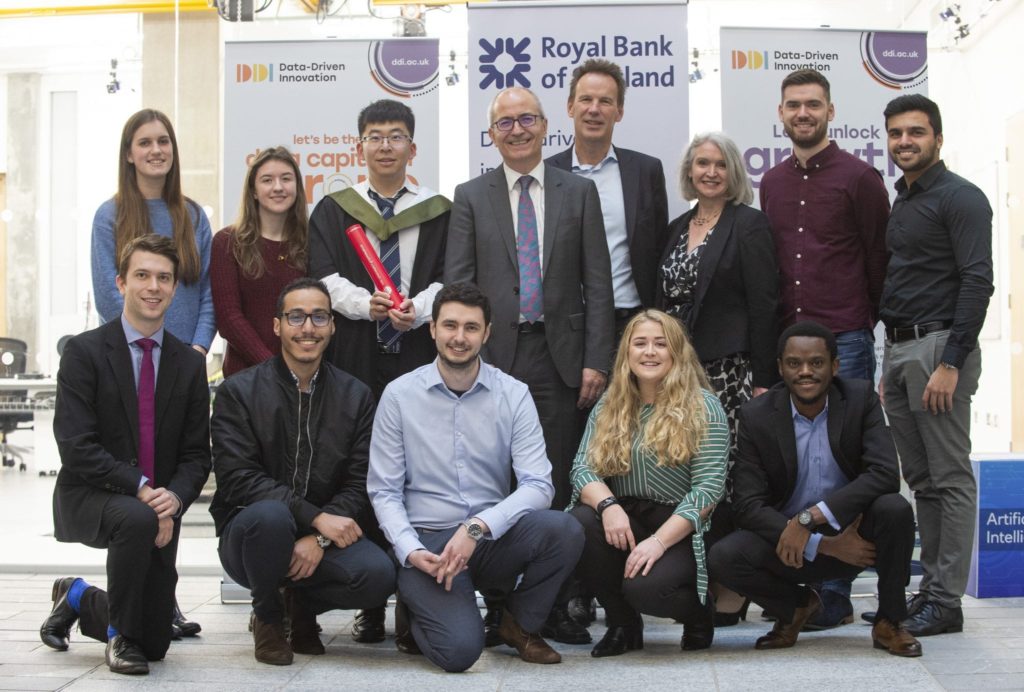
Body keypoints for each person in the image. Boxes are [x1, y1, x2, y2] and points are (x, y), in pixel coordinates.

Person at [445, 86, 613, 644]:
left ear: (546, 126)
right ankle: (498, 607)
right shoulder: (470, 195)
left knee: (558, 481)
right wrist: (466, 356)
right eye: (504, 123)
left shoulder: (579, 191)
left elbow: (599, 284)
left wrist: (596, 359)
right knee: (495, 481)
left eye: (526, 120)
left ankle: (557, 603)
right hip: (492, 357)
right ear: (491, 134)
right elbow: (460, 284)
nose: (516, 130)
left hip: (560, 359)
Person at [367, 283, 585, 673]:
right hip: (428, 542)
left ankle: (516, 624)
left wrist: (479, 526)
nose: (459, 337)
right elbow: (383, 490)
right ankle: (417, 603)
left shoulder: (513, 394)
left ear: (486, 333)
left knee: (564, 529)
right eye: (450, 325)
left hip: (489, 538)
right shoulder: (398, 396)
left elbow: (539, 485)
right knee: (459, 653)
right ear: (432, 329)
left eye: (471, 328)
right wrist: (409, 550)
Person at [307, 98, 450, 642]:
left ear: (412, 147)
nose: (385, 145)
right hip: (355, 353)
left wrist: (422, 307)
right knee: (358, 467)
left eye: (395, 136)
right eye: (374, 136)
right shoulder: (334, 208)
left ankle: (414, 602)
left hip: (415, 351)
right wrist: (361, 303)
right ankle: (371, 597)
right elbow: (320, 274)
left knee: (416, 472)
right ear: (359, 145)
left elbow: (451, 272)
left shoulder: (438, 210)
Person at [40, 234, 212, 674]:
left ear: (174, 288)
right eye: (142, 275)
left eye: (164, 278)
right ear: (120, 283)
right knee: (136, 520)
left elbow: (197, 456)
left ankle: (78, 596)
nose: (153, 286)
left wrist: (171, 500)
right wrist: (142, 492)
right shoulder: (84, 352)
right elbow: (76, 447)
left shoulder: (189, 365)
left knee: (154, 642)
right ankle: (118, 639)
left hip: (158, 507)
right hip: (92, 494)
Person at [759, 69, 891, 628]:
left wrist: (867, 328)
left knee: (845, 467)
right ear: (782, 113)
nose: (803, 114)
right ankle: (802, 583)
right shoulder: (770, 181)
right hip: (788, 345)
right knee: (798, 464)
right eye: (794, 105)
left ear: (831, 112)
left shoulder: (861, 178)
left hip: (847, 342)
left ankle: (837, 593)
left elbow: (880, 260)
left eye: (813, 104)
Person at [208, 277, 396, 665]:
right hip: (251, 535)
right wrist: (316, 519)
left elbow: (360, 480)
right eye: (296, 317)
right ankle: (268, 617)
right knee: (272, 515)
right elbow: (238, 479)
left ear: (332, 325)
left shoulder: (356, 395)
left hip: (321, 536)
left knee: (377, 576)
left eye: (318, 317)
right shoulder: (238, 392)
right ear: (277, 326)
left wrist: (320, 539)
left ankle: (300, 605)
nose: (308, 328)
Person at [708, 321, 922, 657]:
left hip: (855, 539)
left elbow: (884, 473)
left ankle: (890, 621)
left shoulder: (859, 398)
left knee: (895, 508)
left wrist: (810, 519)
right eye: (794, 363)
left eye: (817, 363)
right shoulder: (757, 415)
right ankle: (795, 608)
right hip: (789, 545)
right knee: (725, 556)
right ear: (780, 368)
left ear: (835, 366)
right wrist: (820, 543)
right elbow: (748, 504)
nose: (805, 372)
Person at [90, 109, 213, 638]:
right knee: (138, 483)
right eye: (145, 142)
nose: (156, 150)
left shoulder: (191, 214)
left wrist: (195, 352)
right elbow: (105, 294)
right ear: (129, 153)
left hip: (182, 367)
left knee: (174, 477)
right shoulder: (110, 215)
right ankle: (106, 596)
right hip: (133, 365)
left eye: (164, 141)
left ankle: (165, 596)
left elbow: (205, 293)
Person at [876, 94, 993, 636]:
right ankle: (932, 592)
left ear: (938, 139)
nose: (905, 142)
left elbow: (977, 281)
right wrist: (889, 359)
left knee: (949, 476)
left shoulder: (962, 198)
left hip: (938, 348)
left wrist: (951, 361)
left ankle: (947, 601)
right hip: (900, 350)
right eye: (897, 133)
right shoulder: (904, 198)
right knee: (921, 479)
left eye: (916, 132)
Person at [568, 310, 728, 657]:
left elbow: (708, 490)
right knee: (579, 523)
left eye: (661, 344)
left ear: (677, 353)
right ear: (627, 353)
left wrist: (657, 543)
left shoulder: (705, 406)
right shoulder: (610, 404)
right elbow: (582, 469)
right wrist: (608, 506)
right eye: (640, 343)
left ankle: (700, 613)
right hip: (626, 517)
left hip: (681, 526)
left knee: (646, 589)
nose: (650, 352)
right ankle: (623, 624)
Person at [547, 58, 669, 335]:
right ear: (570, 107)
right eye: (585, 99)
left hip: (631, 323)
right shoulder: (546, 173)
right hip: (566, 327)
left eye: (605, 101)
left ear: (619, 111)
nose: (594, 110)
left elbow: (659, 249)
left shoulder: (646, 171)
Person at [211, 146, 308, 377]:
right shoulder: (226, 242)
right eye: (267, 180)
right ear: (253, 191)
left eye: (286, 179)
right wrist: (273, 367)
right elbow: (228, 318)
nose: (278, 187)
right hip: (247, 378)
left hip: (304, 375)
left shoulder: (312, 243)